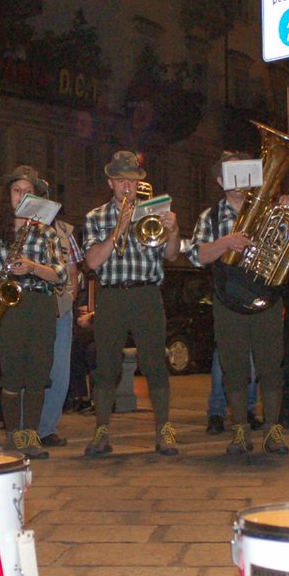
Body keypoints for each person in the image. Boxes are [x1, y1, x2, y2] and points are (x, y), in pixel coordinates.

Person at [185, 153, 289, 455]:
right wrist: (226, 243)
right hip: (228, 298)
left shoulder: (271, 212)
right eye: (232, 175)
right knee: (233, 366)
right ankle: (240, 429)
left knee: (271, 364)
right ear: (220, 181)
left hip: (266, 294)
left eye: (246, 173)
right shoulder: (211, 217)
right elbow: (196, 255)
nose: (240, 181)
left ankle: (273, 428)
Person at [81, 151, 182, 456]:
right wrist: (118, 229)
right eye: (121, 180)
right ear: (110, 182)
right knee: (106, 366)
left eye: (133, 181)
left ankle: (164, 430)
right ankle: (101, 432)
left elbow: (172, 255)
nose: (128, 186)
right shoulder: (95, 217)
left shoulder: (152, 212)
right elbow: (92, 261)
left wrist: (174, 230)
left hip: (147, 294)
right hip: (111, 294)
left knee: (154, 363)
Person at [0, 167, 64, 458]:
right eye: (16, 190)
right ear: (8, 197)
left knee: (38, 372)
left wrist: (32, 266)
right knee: (11, 373)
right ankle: (14, 433)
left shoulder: (47, 233)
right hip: (9, 306)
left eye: (27, 191)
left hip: (39, 304)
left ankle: (32, 434)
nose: (22, 195)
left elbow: (60, 274)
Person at [38, 209, 84, 447]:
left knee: (59, 371)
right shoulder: (18, 227)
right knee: (30, 367)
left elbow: (74, 269)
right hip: (31, 305)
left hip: (60, 308)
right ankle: (22, 425)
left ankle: (47, 428)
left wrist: (71, 297)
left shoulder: (65, 232)